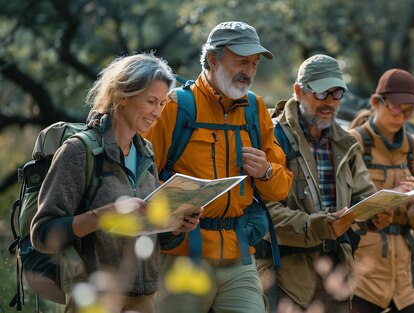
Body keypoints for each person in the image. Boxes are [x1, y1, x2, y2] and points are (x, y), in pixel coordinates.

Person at [30, 53, 201, 313]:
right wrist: (106, 214)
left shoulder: (147, 153)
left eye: (163, 104)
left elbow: (153, 235)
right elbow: (42, 235)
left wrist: (177, 225)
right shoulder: (78, 152)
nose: (158, 113)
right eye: (151, 101)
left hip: (144, 298)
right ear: (123, 96)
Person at [142, 21, 293, 313]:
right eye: (240, 61)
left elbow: (282, 187)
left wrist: (265, 172)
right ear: (212, 59)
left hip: (239, 258)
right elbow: (141, 182)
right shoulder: (174, 107)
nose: (248, 71)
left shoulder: (255, 108)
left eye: (254, 64)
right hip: (181, 257)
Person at [256, 54, 392, 312]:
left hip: (339, 275)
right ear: (298, 91)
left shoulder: (347, 143)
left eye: (337, 94)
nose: (330, 102)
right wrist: (317, 226)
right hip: (287, 277)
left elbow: (363, 196)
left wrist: (374, 215)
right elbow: (264, 212)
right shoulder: (272, 137)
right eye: (321, 94)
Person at [347, 69, 414, 313]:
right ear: (377, 102)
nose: (402, 117)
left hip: (404, 279)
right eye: (397, 108)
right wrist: (391, 195)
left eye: (410, 111)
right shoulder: (352, 142)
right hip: (363, 276)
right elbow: (343, 210)